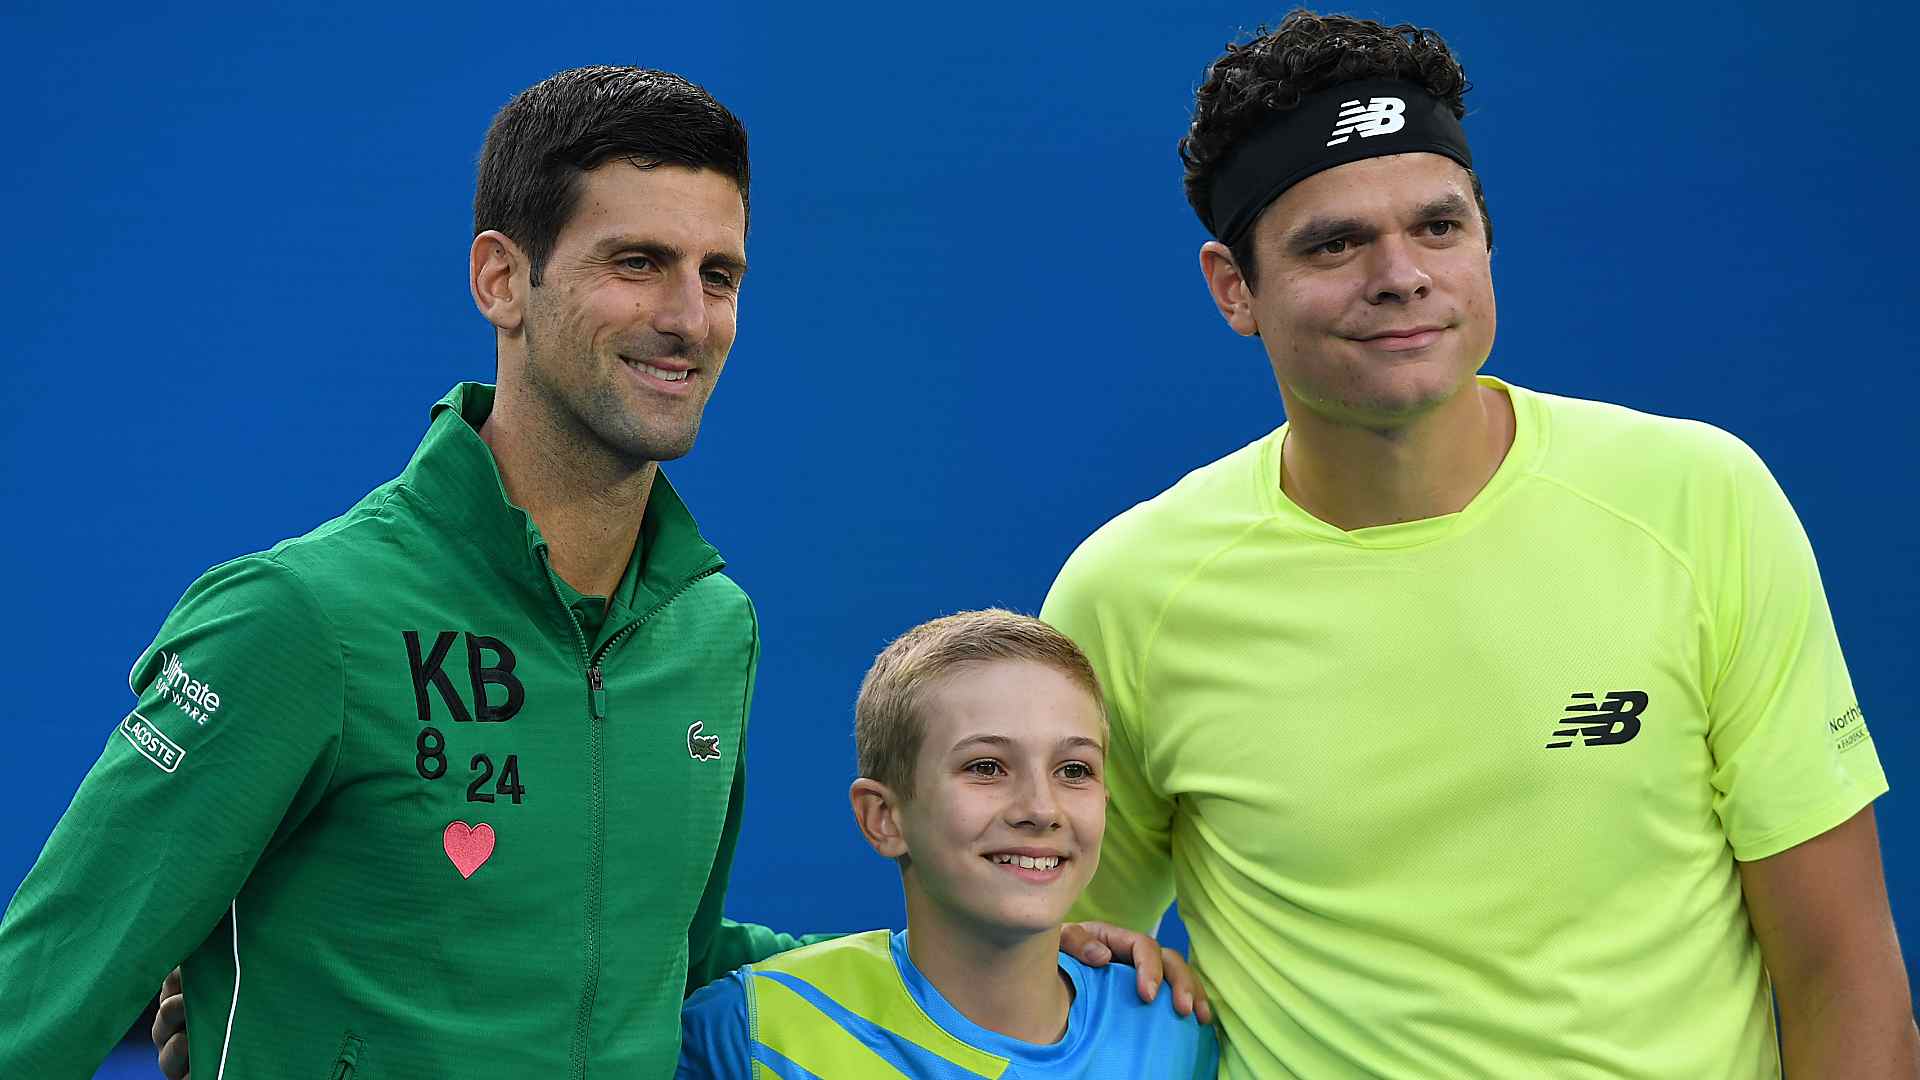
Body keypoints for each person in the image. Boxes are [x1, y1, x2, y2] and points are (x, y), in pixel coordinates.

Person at [1, 67, 1189, 1079]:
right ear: (501, 280)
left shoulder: (712, 626)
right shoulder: (300, 618)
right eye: (636, 262)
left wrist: (998, 959)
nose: (688, 317)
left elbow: (659, 955)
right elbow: (45, 995)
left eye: (718, 275)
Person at [1039, 11, 1918, 1079]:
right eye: (1334, 243)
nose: (1401, 274)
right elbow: (1048, 961)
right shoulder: (1127, 592)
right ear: (1235, 289)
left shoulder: (1702, 498)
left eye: (1439, 226)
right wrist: (1076, 966)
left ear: (1487, 238)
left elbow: (1842, 971)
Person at [676, 610, 1217, 1078]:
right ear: (883, 817)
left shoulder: (1174, 1031)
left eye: (1074, 769)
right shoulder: (753, 1033)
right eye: (986, 767)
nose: (1040, 808)